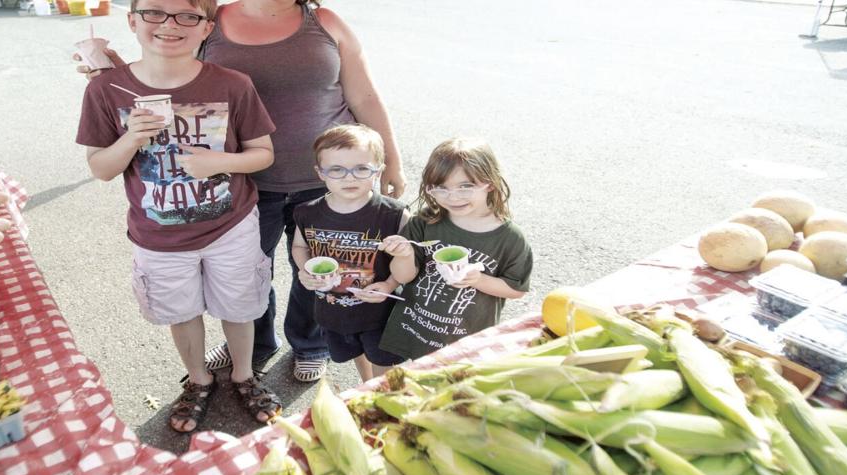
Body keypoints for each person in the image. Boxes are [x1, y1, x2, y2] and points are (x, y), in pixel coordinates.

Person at [79, 0, 407, 383]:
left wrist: (392, 160)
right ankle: (256, 347)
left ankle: (309, 345)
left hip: (329, 180)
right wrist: (115, 77)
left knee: (318, 269)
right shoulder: (214, 20)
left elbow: (364, 96)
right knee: (249, 275)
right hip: (242, 183)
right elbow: (173, 67)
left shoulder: (325, 22)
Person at [76, 0, 283, 432]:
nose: (170, 25)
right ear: (132, 21)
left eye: (188, 16)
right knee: (180, 311)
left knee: (240, 306)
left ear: (207, 28)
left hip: (231, 226)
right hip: (158, 235)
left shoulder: (233, 84)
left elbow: (262, 153)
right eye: (155, 13)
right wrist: (130, 139)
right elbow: (101, 169)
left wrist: (219, 162)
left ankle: (244, 375)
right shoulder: (106, 89)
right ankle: (199, 379)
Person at [377, 139, 533, 362]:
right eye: (441, 188)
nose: (453, 197)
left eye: (465, 186)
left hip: (465, 342)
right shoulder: (425, 221)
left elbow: (516, 289)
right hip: (415, 327)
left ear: (490, 183)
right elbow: (403, 277)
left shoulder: (510, 238)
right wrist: (405, 255)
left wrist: (478, 280)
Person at [291, 124, 407, 382]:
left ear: (379, 170)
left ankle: (384, 395)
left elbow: (411, 263)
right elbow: (300, 246)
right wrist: (304, 269)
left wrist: (390, 284)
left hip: (380, 313)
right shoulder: (307, 212)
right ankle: (367, 385)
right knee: (356, 352)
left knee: (383, 362)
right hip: (334, 310)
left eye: (361, 168)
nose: (349, 178)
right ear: (320, 173)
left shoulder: (394, 214)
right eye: (336, 169)